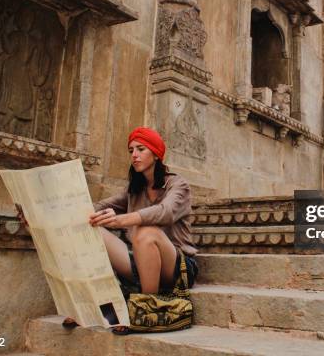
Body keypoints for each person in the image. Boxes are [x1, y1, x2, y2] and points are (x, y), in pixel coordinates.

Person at [18, 126, 198, 332]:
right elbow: (90, 209)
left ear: (156, 154)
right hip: (140, 263)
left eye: (141, 149)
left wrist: (121, 220)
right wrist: (40, 216)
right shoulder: (133, 191)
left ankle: (146, 311)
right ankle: (91, 306)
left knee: (145, 231)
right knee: (92, 229)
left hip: (177, 268)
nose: (135, 155)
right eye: (131, 151)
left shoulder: (178, 184)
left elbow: (165, 213)